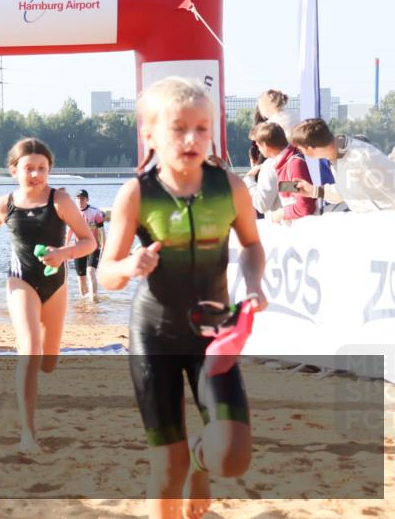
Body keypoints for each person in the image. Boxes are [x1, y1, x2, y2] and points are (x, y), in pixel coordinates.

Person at [96, 77, 267, 519]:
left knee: (232, 457)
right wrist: (129, 266)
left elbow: (251, 245)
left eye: (202, 128)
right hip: (156, 336)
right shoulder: (137, 193)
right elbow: (105, 274)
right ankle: (183, 462)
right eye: (178, 128)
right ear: (149, 134)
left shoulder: (229, 187)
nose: (192, 139)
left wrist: (253, 285)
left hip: (215, 335)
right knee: (166, 468)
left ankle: (199, 458)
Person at [0, 138, 96, 453]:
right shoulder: (5, 204)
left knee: (49, 362)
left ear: (49, 169)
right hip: (21, 281)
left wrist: (65, 253)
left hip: (55, 283)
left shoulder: (60, 200)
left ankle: (34, 368)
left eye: (42, 168)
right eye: (29, 168)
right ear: (14, 169)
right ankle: (28, 435)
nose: (36, 175)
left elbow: (89, 242)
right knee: (30, 351)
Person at [289, 118, 395, 212]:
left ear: (309, 149)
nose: (301, 153)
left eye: (300, 149)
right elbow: (346, 191)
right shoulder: (337, 157)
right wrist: (313, 191)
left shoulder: (363, 156)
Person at [247, 122, 315, 221]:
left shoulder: (273, 167)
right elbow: (285, 189)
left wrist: (248, 181)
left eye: (257, 145)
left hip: (290, 230)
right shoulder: (293, 159)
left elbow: (262, 205)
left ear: (265, 145)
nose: (258, 150)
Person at [69, 189, 104, 300]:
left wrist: (104, 245)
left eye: (82, 198)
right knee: (81, 277)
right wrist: (65, 246)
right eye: (78, 198)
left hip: (94, 247)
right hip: (79, 248)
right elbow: (70, 231)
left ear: (87, 199)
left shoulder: (96, 212)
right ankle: (84, 301)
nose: (80, 201)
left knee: (90, 271)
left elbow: (101, 231)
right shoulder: (73, 212)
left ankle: (93, 299)